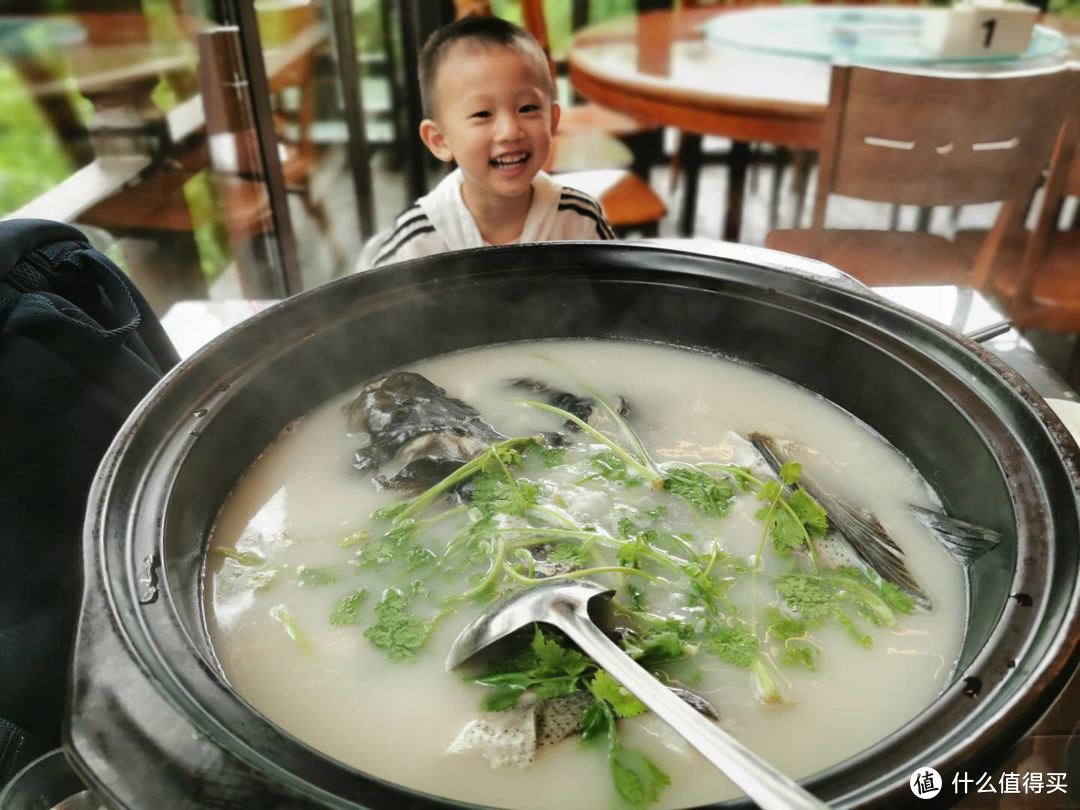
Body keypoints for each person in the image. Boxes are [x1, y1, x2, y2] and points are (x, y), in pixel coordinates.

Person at [364, 15, 614, 269]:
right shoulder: (418, 241)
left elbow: (623, 294)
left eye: (527, 108)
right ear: (439, 140)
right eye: (483, 114)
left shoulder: (580, 221)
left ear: (552, 121)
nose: (510, 131)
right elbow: (364, 303)